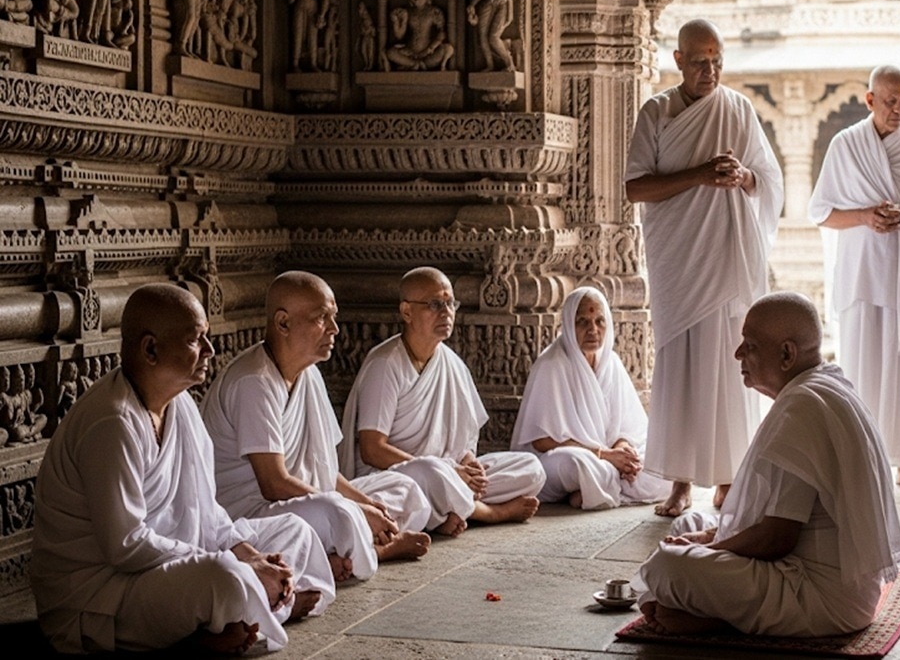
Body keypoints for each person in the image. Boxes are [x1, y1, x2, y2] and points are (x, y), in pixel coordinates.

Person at [31, 284, 335, 654]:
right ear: (151, 349)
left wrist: (248, 554)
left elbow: (207, 514)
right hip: (103, 594)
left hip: (171, 568)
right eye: (196, 340)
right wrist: (230, 562)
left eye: (207, 338)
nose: (210, 350)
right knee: (223, 577)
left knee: (294, 531)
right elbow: (126, 547)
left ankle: (245, 612)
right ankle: (255, 610)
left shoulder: (184, 408)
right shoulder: (112, 422)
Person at [636, 292, 900, 637]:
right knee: (690, 524)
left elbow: (777, 538)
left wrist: (708, 547)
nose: (738, 355)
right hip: (833, 588)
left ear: (786, 354)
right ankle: (707, 612)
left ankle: (715, 621)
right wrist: (708, 536)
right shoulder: (823, 386)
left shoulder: (803, 407)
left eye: (749, 345)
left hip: (819, 598)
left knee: (666, 566)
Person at [624, 19, 784, 516]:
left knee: (731, 364)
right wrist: (699, 176)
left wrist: (743, 177)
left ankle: (729, 478)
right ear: (678, 61)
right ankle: (679, 481)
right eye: (699, 62)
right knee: (681, 369)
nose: (710, 70)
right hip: (679, 261)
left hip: (727, 259)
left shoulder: (738, 109)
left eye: (717, 61)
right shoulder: (657, 111)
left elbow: (769, 177)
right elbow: (634, 188)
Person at [204, 271, 432, 584]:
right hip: (253, 515)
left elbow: (324, 469)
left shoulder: (309, 374)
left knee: (403, 489)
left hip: (307, 500)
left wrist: (366, 504)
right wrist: (354, 509)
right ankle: (376, 551)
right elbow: (274, 484)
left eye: (333, 317)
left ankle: (342, 551)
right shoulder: (254, 381)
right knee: (340, 513)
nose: (334, 329)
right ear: (283, 323)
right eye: (322, 317)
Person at [808, 64, 900, 491]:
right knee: (860, 367)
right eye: (891, 101)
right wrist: (865, 217)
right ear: (869, 100)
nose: (899, 109)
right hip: (860, 277)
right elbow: (821, 212)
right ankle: (860, 455)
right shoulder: (845, 146)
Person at [340, 267, 543, 538]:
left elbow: (465, 442)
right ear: (406, 312)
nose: (446, 311)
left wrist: (470, 466)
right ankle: (490, 512)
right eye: (435, 304)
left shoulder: (453, 364)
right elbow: (372, 450)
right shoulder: (385, 363)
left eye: (450, 303)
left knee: (531, 468)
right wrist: (448, 470)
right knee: (430, 471)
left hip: (448, 472)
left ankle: (448, 510)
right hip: (397, 477)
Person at [511, 287, 671, 509]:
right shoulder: (551, 364)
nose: (593, 330)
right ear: (568, 324)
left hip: (608, 456)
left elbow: (627, 423)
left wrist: (623, 450)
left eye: (599, 321)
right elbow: (542, 441)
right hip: (562, 459)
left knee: (661, 465)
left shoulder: (610, 362)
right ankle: (596, 487)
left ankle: (591, 491)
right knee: (579, 464)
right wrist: (604, 454)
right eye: (583, 322)